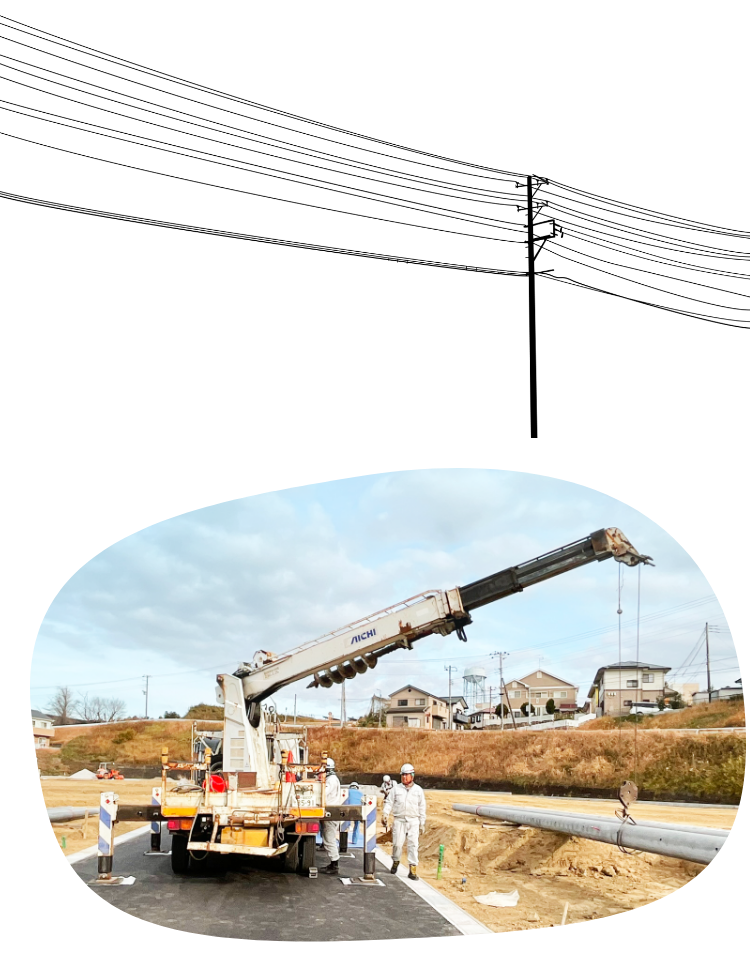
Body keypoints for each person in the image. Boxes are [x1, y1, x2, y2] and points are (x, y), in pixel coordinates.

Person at [382, 763, 425, 880]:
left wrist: (422, 822)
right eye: (403, 775)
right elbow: (389, 802)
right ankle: (396, 861)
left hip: (413, 821)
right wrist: (385, 814)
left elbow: (422, 807)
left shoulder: (418, 790)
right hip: (399, 820)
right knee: (397, 844)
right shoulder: (396, 789)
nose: (404, 777)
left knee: (413, 845)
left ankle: (413, 869)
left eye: (406, 775)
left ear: (412, 776)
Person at [320, 758, 341, 874]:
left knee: (329, 838)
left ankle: (334, 864)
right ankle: (333, 863)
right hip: (331, 810)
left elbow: (323, 792)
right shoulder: (332, 778)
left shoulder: (331, 780)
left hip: (331, 811)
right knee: (328, 837)